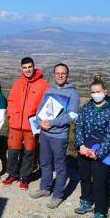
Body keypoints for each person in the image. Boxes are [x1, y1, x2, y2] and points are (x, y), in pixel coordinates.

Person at [29, 63, 80, 209]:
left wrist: (51, 123)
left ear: (67, 75)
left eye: (63, 73)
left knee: (60, 166)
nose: (60, 75)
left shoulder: (73, 94)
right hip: (45, 134)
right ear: (54, 74)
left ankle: (57, 195)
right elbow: (39, 109)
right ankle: (45, 188)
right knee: (44, 162)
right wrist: (40, 122)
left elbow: (72, 115)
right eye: (57, 73)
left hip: (59, 135)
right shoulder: (49, 91)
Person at [74, 75, 110, 218]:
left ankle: (100, 211)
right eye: (93, 92)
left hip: (101, 153)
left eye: (98, 91)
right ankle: (85, 201)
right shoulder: (86, 107)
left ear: (105, 91)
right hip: (84, 150)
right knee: (85, 178)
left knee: (99, 184)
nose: (95, 94)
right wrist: (80, 145)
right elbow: (79, 126)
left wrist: (98, 153)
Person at [3, 57, 49, 190]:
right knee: (12, 151)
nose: (28, 70)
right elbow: (10, 100)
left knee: (29, 152)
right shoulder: (17, 83)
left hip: (32, 126)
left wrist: (40, 120)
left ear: (34, 66)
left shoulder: (43, 84)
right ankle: (12, 174)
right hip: (16, 124)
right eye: (25, 67)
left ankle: (24, 177)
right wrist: (11, 115)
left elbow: (47, 105)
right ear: (21, 69)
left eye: (30, 67)